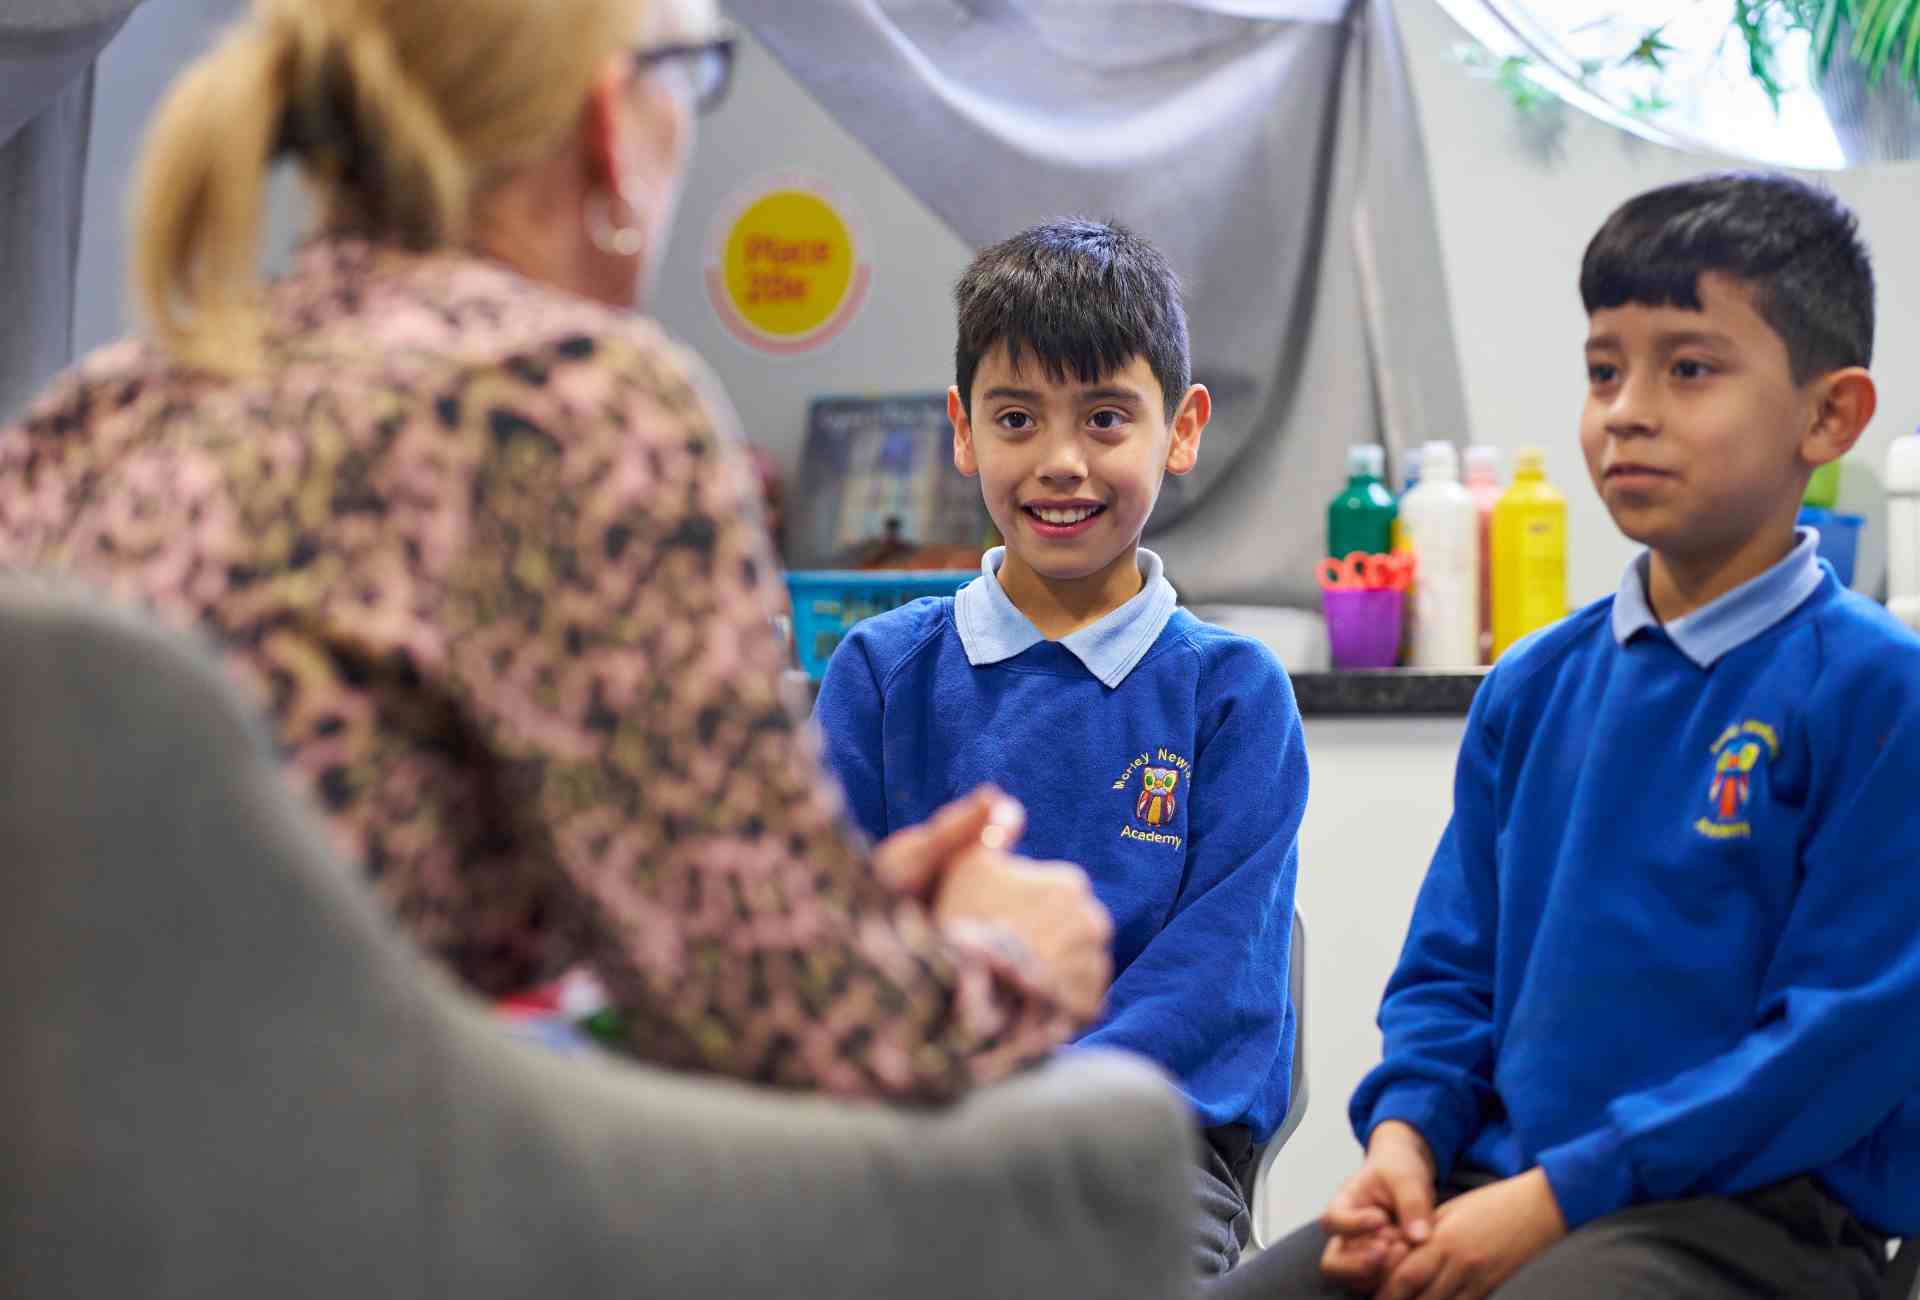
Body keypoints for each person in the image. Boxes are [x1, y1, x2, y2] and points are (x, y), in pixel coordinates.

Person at [0, 0, 1118, 1104]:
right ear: (610, 123)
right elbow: (799, 1035)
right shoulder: (572, 408)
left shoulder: (95, 411)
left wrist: (826, 920)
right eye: (695, 72)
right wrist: (1009, 959)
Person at [1233, 172, 1920, 1299]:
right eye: (1605, 370)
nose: (1628, 410)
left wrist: (1555, 1198)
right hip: (1496, 1187)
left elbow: (1833, 1048)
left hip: (1753, 1224)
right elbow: (1450, 977)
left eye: (1689, 368)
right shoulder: (1536, 685)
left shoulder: (1877, 691)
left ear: (1830, 415)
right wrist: (1404, 1142)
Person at [813, 219, 1306, 1276]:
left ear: (1181, 430)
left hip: (1146, 1148)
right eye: (1017, 418)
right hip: (917, 1125)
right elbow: (828, 935)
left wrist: (1038, 1108)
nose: (1061, 463)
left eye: (1107, 418)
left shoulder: (1231, 696)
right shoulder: (881, 676)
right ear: (963, 430)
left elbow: (1213, 995)